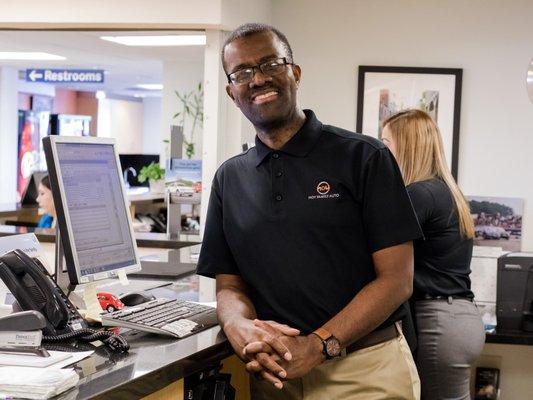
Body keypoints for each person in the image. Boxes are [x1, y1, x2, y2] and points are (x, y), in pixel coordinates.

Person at [197, 23, 423, 400]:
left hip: (363, 370)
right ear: (231, 91)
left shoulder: (365, 157)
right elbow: (230, 284)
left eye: (270, 64)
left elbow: (397, 280)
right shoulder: (229, 179)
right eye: (242, 72)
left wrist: (320, 345)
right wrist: (237, 324)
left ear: (294, 73)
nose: (257, 79)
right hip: (273, 376)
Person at [381, 109, 485, 400]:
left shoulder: (419, 194)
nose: (381, 151)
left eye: (386, 143)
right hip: (461, 316)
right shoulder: (446, 191)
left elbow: (374, 246)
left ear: (406, 145)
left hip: (438, 321)